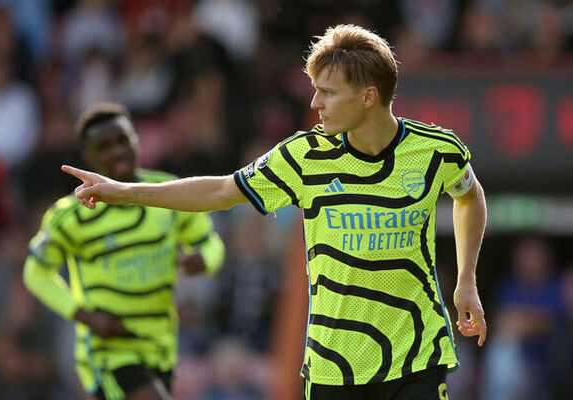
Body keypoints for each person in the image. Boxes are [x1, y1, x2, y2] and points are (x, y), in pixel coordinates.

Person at [63, 25, 487, 400]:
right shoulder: (304, 157)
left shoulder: (436, 151)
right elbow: (221, 192)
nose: (316, 102)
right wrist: (125, 191)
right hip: (334, 368)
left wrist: (466, 280)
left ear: (368, 96)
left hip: (418, 358)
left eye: (328, 91)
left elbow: (469, 195)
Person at [23, 102, 225, 400]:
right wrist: (85, 317)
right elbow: (35, 272)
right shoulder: (71, 215)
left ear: (136, 141)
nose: (117, 151)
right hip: (109, 349)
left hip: (160, 344)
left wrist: (203, 260)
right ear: (89, 157)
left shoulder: (169, 192)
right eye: (104, 146)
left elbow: (212, 243)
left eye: (122, 140)